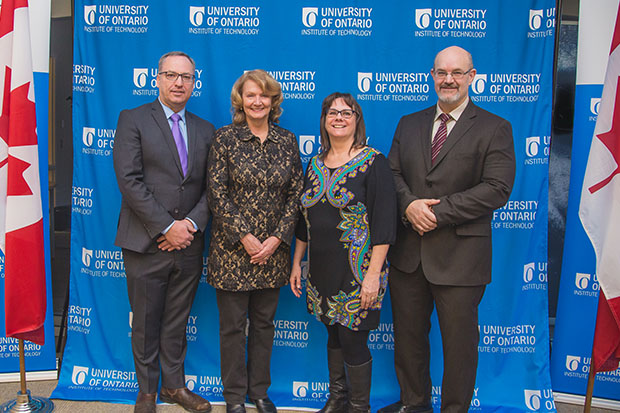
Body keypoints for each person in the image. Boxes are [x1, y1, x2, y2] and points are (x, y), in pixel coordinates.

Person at [380, 46, 516, 413]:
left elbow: (497, 188)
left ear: (472, 77)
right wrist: (409, 205)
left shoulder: (494, 127)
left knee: (459, 346)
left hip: (461, 258)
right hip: (410, 256)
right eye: (441, 72)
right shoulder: (409, 123)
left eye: (457, 72)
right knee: (408, 340)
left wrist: (437, 213)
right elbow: (390, 174)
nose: (448, 80)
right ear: (432, 75)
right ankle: (414, 404)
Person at [113, 51, 214, 413]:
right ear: (157, 78)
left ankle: (174, 387)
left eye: (186, 77)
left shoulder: (206, 130)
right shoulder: (134, 119)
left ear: (193, 83)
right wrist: (166, 227)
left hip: (188, 243)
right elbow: (129, 180)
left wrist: (188, 226)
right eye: (171, 75)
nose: (178, 83)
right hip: (146, 242)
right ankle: (146, 391)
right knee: (144, 320)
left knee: (177, 319)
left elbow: (211, 188)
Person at [290, 92, 397, 413]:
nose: (339, 117)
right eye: (332, 113)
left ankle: (358, 406)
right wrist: (296, 263)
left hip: (359, 272)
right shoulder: (313, 164)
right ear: (323, 120)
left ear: (357, 120)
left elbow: (384, 224)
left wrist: (373, 276)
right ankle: (337, 399)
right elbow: (302, 223)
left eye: (346, 113)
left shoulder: (374, 162)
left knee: (353, 340)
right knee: (333, 336)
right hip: (321, 271)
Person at [207, 69, 303, 413]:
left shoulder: (287, 141)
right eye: (251, 95)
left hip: (273, 254)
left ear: (273, 100)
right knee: (232, 328)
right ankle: (234, 397)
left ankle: (259, 392)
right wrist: (245, 237)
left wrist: (277, 238)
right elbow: (216, 193)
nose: (257, 102)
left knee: (264, 325)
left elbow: (296, 194)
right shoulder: (225, 139)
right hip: (232, 252)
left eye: (264, 95)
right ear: (241, 101)